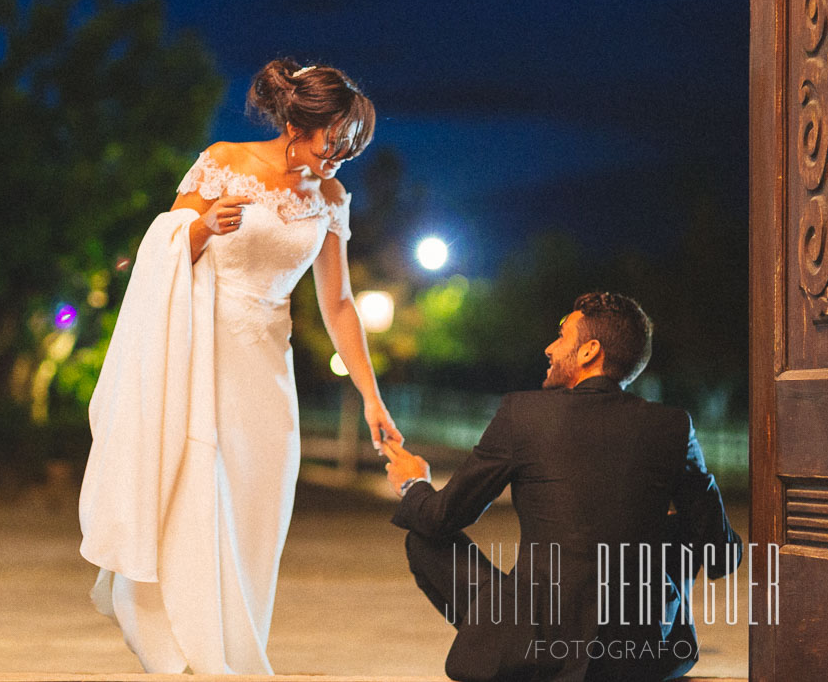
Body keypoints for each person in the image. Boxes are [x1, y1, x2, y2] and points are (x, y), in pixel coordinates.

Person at [79, 58, 402, 674]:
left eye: (349, 149)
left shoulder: (332, 196)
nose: (336, 161)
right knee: (196, 488)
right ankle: (183, 641)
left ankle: (235, 643)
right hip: (203, 355)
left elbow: (337, 303)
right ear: (296, 124)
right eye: (332, 144)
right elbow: (163, 252)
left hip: (267, 369)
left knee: (259, 505)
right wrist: (201, 228)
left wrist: (372, 399)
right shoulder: (224, 160)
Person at [384, 292, 743, 682]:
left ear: (590, 351)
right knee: (684, 526)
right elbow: (721, 555)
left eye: (561, 336)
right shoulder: (673, 427)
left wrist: (413, 482)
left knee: (423, 538)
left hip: (535, 648)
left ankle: (500, 642)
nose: (549, 347)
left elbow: (441, 517)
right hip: (636, 657)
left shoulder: (523, 414)